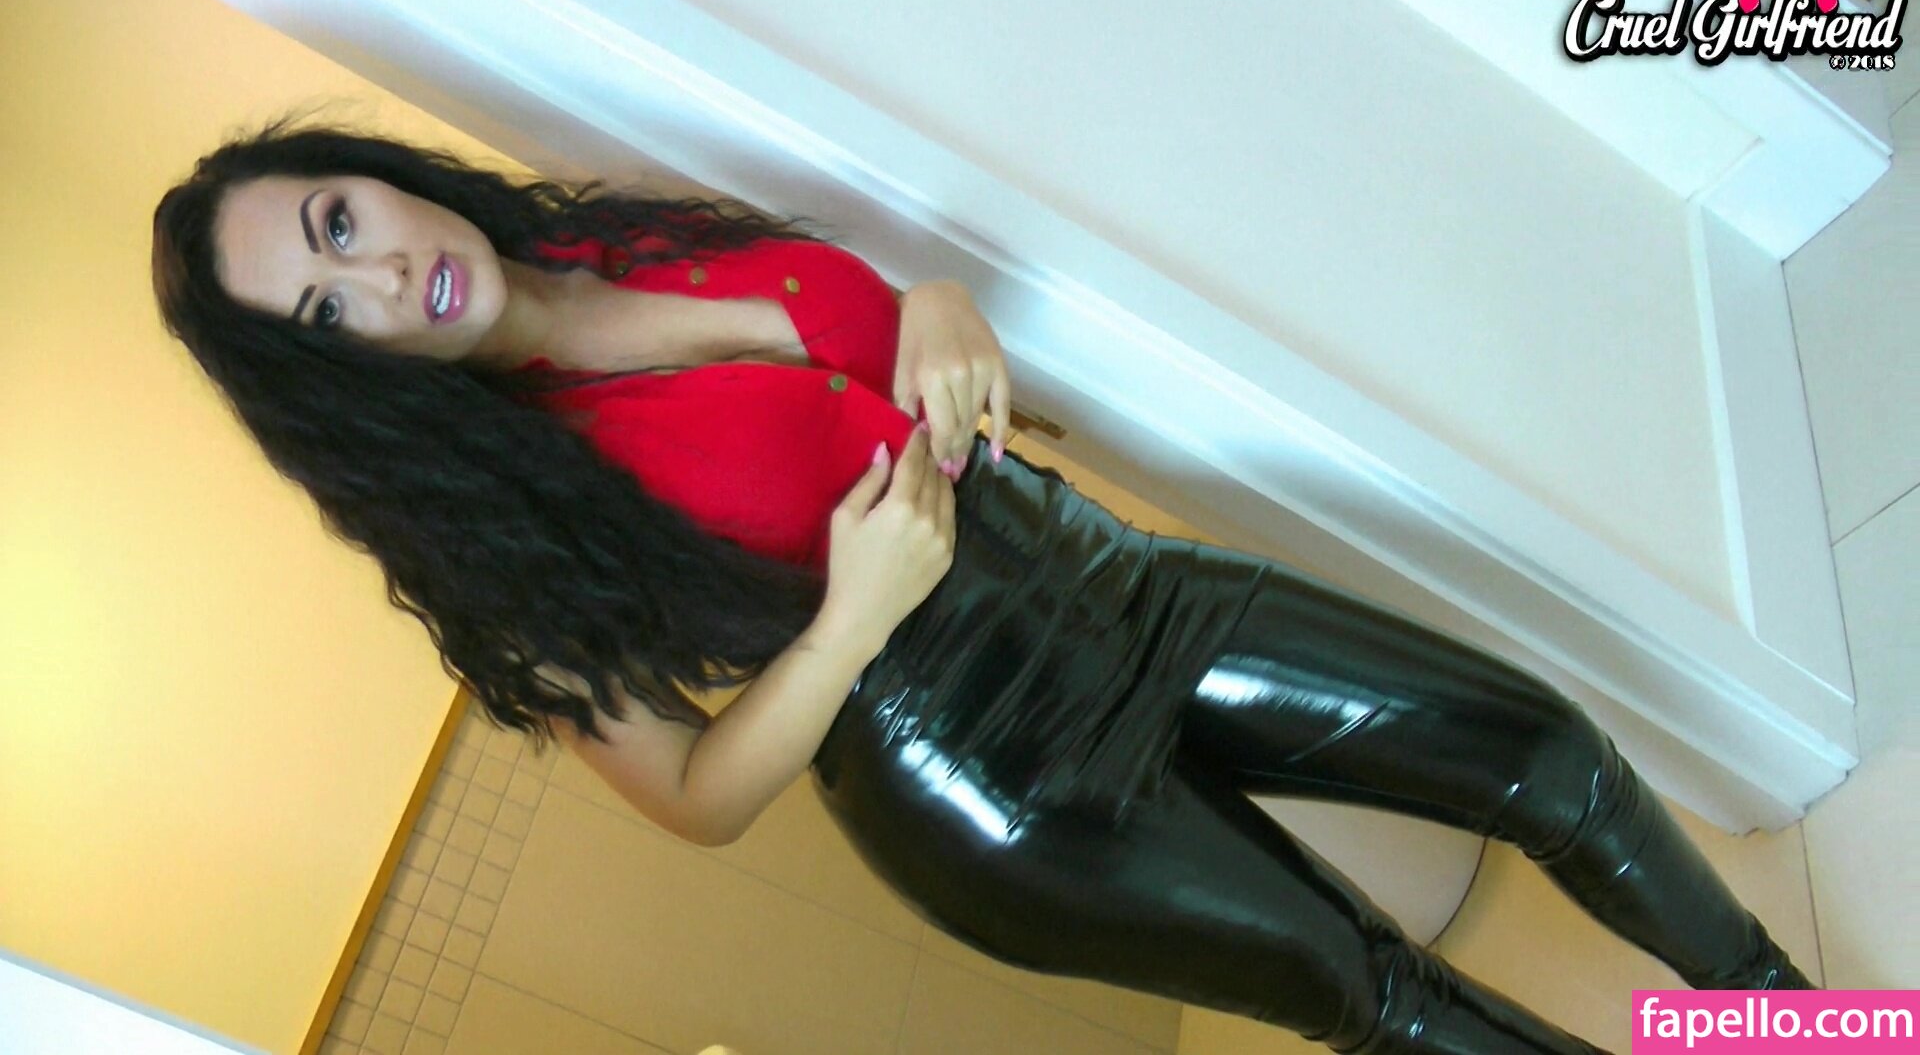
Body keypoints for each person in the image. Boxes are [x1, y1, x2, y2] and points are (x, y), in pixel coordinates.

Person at [151, 116, 1815, 1055]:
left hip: (1105, 575)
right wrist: (853, 618)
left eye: (335, 223)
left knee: (1548, 758)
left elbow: (861, 336)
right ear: (346, 379)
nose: (381, 273)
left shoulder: (618, 235)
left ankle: (1805, 1033)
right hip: (976, 769)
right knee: (1378, 990)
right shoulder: (503, 527)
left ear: (367, 176)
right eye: (328, 312)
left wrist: (937, 303)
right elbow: (695, 795)